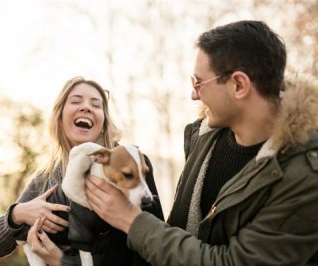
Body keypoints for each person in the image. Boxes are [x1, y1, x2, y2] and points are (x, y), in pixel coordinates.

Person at [85, 20, 318, 265]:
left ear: (238, 85)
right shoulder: (202, 138)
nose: (194, 94)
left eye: (199, 82)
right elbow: (177, 238)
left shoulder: (306, 176)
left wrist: (131, 221)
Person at [0, 77, 164, 265]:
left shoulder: (132, 164)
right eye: (76, 101)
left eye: (96, 104)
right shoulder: (47, 177)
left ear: (104, 121)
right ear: (59, 116)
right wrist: (17, 214)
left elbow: (153, 252)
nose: (86, 107)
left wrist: (63, 262)